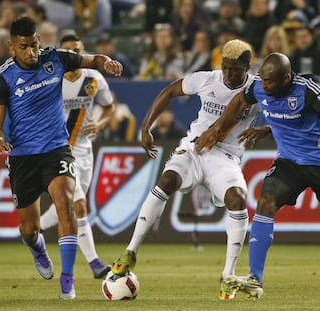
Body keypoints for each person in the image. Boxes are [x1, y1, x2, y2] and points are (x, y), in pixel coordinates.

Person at [195, 52, 320, 299]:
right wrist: (217, 128)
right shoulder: (258, 86)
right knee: (265, 204)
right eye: (262, 80)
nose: (263, 86)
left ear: (286, 77)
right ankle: (255, 279)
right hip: (289, 163)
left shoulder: (306, 88)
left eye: (270, 82)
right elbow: (238, 102)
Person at [111, 39, 260, 300]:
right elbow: (169, 91)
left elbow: (283, 113)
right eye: (225, 67)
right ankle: (130, 251)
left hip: (225, 157)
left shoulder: (258, 88)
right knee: (167, 180)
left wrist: (265, 129)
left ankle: (228, 276)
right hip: (194, 149)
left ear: (247, 67)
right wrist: (146, 126)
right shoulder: (206, 79)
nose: (227, 74)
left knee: (238, 199)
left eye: (235, 69)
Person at [0, 16, 122, 300]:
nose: (31, 52)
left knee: (67, 204)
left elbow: (93, 60)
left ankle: (68, 280)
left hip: (57, 149)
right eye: (24, 47)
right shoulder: (3, 76)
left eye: (35, 45)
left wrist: (106, 62)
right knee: (28, 229)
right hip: (23, 156)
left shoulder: (56, 59)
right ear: (12, 47)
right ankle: (37, 248)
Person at [39, 34, 114, 279]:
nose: (74, 56)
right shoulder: (52, 79)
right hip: (59, 149)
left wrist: (100, 125)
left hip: (85, 149)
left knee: (69, 206)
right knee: (79, 205)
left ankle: (34, 229)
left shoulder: (94, 79)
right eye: (69, 51)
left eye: (78, 50)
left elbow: (109, 106)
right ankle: (95, 263)